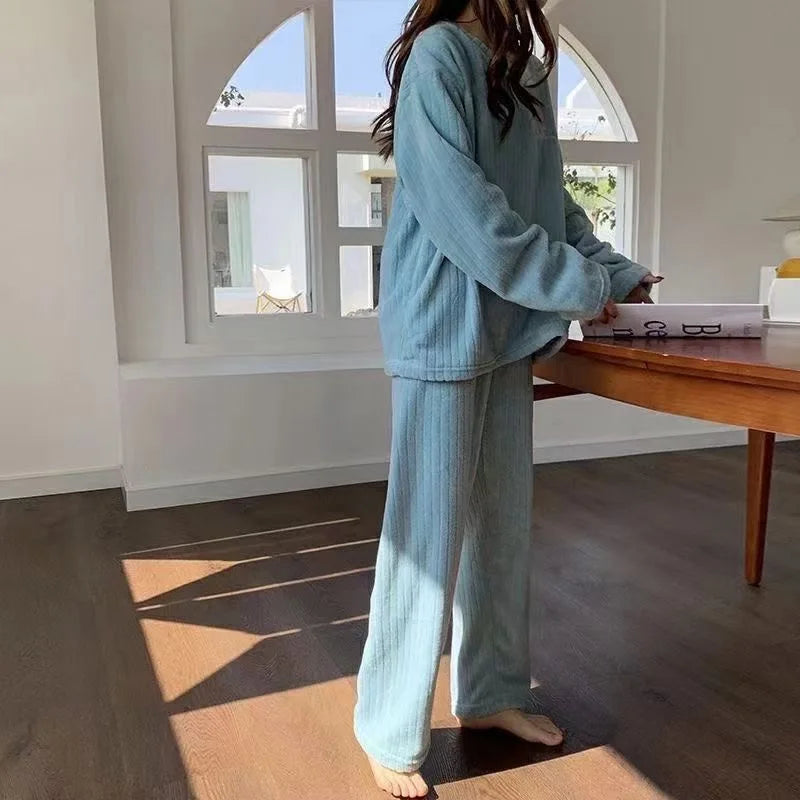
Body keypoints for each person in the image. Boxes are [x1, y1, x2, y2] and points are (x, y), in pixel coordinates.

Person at [354, 1, 659, 796]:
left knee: (501, 527)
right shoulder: (437, 58)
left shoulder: (524, 72)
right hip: (440, 325)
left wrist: (616, 272)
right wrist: (580, 285)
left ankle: (490, 692)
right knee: (423, 539)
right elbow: (468, 217)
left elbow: (549, 205)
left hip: (509, 325)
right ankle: (387, 725)